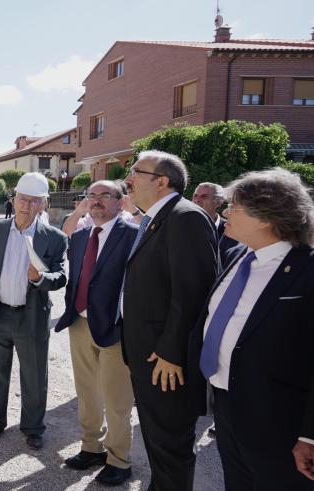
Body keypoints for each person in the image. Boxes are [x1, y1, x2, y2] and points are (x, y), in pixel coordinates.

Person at [187, 168, 314, 490]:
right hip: (226, 404)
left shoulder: (307, 269)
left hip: (278, 419)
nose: (225, 212)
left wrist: (309, 434)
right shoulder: (237, 255)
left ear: (265, 216)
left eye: (235, 207)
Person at [120, 150, 219, 490]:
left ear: (161, 181)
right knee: (158, 444)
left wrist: (172, 352)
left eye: (135, 172)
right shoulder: (157, 217)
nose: (128, 179)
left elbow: (193, 294)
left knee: (171, 447)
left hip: (166, 362)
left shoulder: (185, 217)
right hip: (148, 357)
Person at [0, 172, 67, 450]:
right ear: (13, 200)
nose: (27, 205)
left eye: (35, 201)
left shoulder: (55, 238)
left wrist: (40, 279)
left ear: (44, 204)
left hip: (31, 316)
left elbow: (61, 277)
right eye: (23, 199)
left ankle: (33, 428)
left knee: (34, 375)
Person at [54, 180, 138, 485]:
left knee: (117, 399)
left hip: (115, 329)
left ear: (120, 201)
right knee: (87, 393)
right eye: (92, 195)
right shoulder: (80, 237)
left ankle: (120, 460)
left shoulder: (134, 235)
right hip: (80, 324)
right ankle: (92, 447)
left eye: (106, 195)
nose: (97, 200)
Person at [192, 182, 240, 268]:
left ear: (219, 202)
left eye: (204, 197)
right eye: (195, 196)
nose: (197, 200)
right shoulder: (182, 226)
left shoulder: (233, 230)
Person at [63, 189, 141, 236]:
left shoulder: (129, 217)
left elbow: (148, 231)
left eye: (106, 196)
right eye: (94, 196)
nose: (98, 201)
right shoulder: (92, 217)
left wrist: (133, 210)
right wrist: (78, 211)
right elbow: (68, 232)